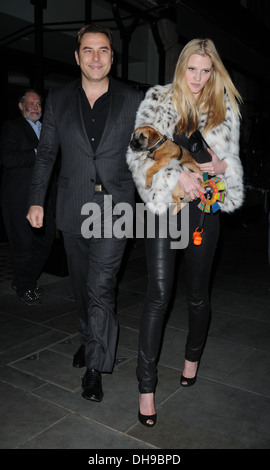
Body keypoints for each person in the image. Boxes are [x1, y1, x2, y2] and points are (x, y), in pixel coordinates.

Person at [126, 38, 244, 426]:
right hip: (167, 208)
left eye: (205, 70)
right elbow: (137, 157)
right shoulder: (158, 100)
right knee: (158, 294)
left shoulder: (224, 109)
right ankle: (146, 388)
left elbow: (233, 164)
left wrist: (224, 169)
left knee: (197, 294)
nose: (197, 77)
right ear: (181, 68)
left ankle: (191, 360)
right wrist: (178, 177)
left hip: (207, 210)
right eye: (191, 69)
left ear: (214, 72)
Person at [27, 24, 142, 402]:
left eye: (103, 50)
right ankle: (89, 338)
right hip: (73, 206)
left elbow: (146, 156)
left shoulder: (132, 99)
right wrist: (36, 199)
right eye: (88, 50)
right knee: (81, 287)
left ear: (113, 56)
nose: (96, 57)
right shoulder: (58, 98)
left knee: (101, 287)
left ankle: (95, 367)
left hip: (116, 208)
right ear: (77, 57)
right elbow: (46, 154)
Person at [0, 89, 55, 306]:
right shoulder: (12, 127)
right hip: (17, 200)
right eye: (30, 104)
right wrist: (37, 152)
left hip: (44, 200)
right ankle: (24, 287)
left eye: (38, 104)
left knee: (44, 243)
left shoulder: (48, 130)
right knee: (22, 247)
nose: (35, 107)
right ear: (21, 106)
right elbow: (7, 158)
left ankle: (25, 280)